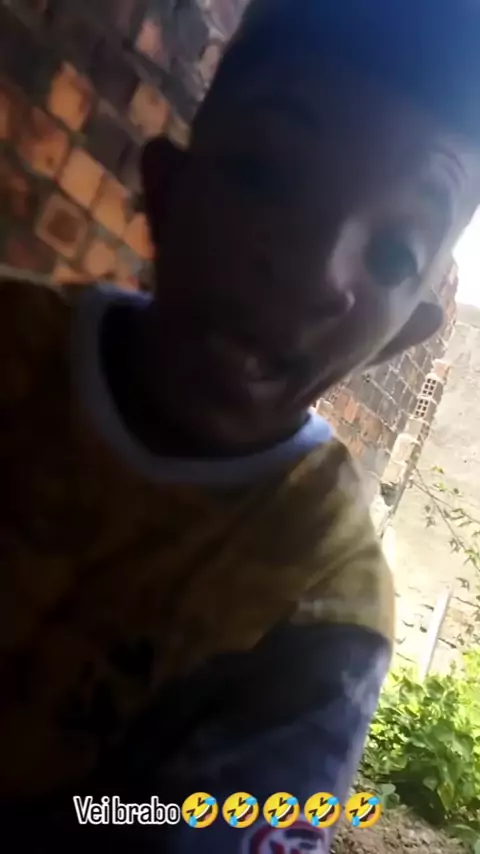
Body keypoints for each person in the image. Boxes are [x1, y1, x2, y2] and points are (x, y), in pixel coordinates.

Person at [1, 0, 480, 850]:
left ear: (400, 338)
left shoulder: (319, 607)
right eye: (267, 174)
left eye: (392, 253)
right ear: (164, 190)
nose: (311, 268)